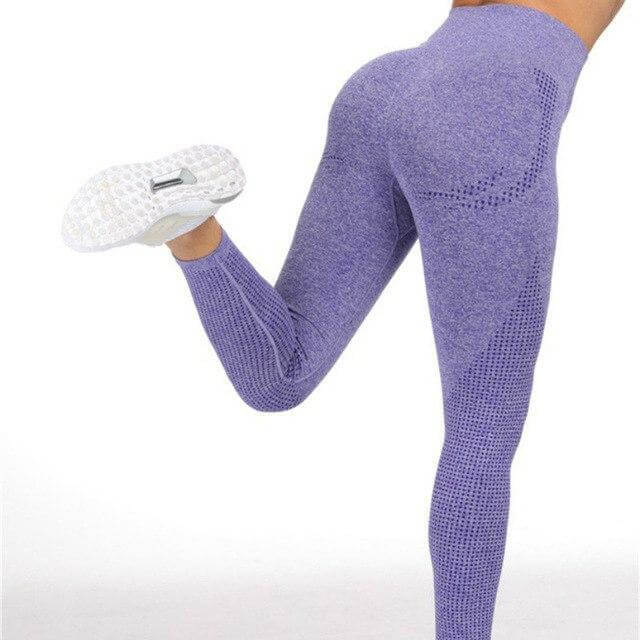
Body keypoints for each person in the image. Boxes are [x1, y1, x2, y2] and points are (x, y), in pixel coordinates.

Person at [61, 1, 626, 637]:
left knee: (280, 374)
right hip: (491, 105)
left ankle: (191, 229)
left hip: (385, 88)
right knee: (482, 432)